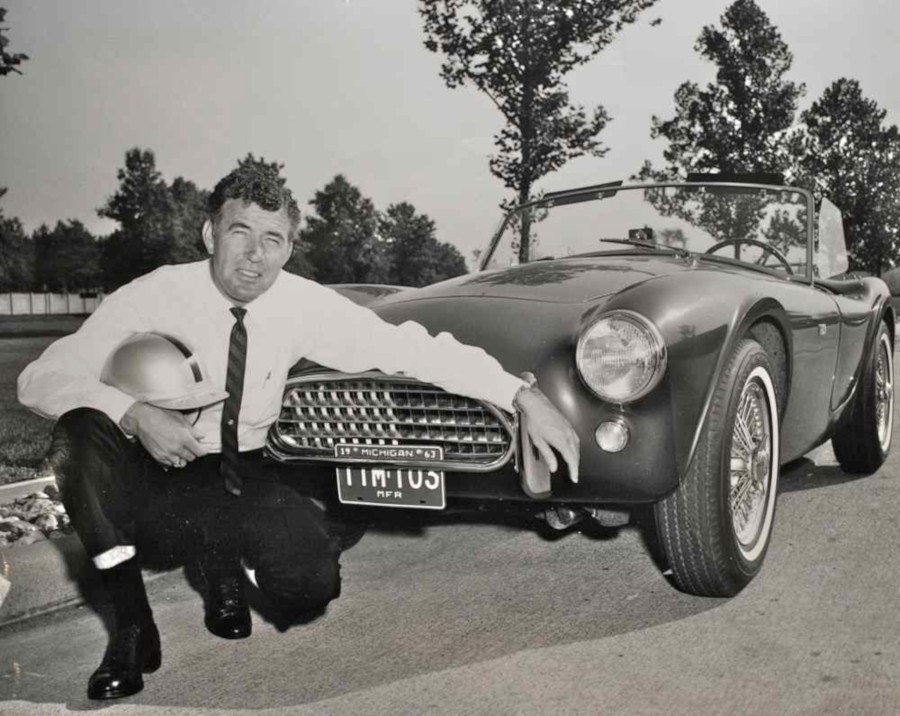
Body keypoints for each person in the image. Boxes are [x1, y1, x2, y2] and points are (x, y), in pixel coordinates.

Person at [17, 161, 580, 700]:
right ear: (210, 234)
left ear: (289, 247)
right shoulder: (154, 293)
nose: (256, 256)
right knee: (80, 434)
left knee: (308, 587)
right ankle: (132, 628)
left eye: (274, 240)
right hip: (156, 473)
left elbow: (411, 348)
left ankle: (220, 565)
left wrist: (520, 393)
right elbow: (41, 377)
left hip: (240, 474)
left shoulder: (302, 303)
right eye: (240, 232)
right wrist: (134, 414)